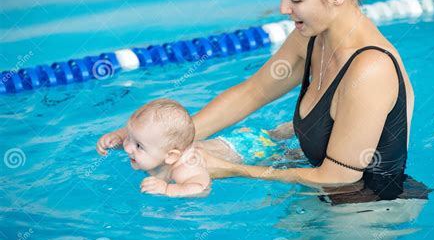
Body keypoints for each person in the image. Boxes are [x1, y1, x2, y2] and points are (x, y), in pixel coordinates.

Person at [103, 0, 419, 202]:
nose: (283, 9)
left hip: (368, 212)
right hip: (320, 199)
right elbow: (252, 92)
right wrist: (159, 137)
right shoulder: (311, 38)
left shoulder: (370, 69)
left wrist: (234, 170)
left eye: (295, 0)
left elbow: (339, 177)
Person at [96, 99, 296, 197]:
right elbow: (143, 137)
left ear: (172, 156)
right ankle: (287, 129)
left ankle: (296, 128)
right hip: (238, 137)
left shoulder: (185, 167)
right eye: (129, 139)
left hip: (254, 148)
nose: (128, 147)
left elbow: (202, 188)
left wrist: (168, 189)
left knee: (285, 149)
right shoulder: (160, 149)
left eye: (138, 145)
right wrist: (116, 138)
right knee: (274, 133)